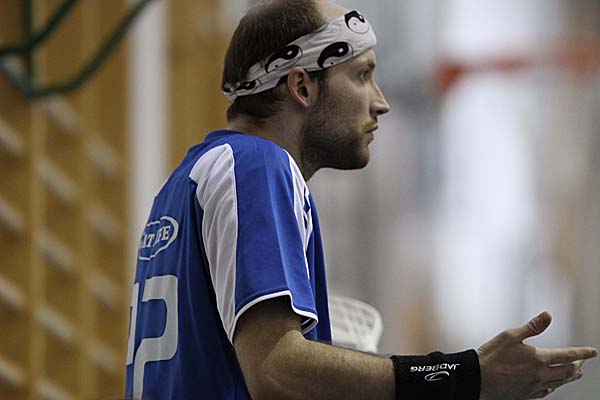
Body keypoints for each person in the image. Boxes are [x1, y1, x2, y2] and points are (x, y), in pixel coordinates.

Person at [124, 1, 598, 399]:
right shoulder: (257, 165)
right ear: (302, 86)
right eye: (363, 75)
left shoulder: (183, 182)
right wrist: (463, 375)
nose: (380, 101)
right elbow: (274, 368)